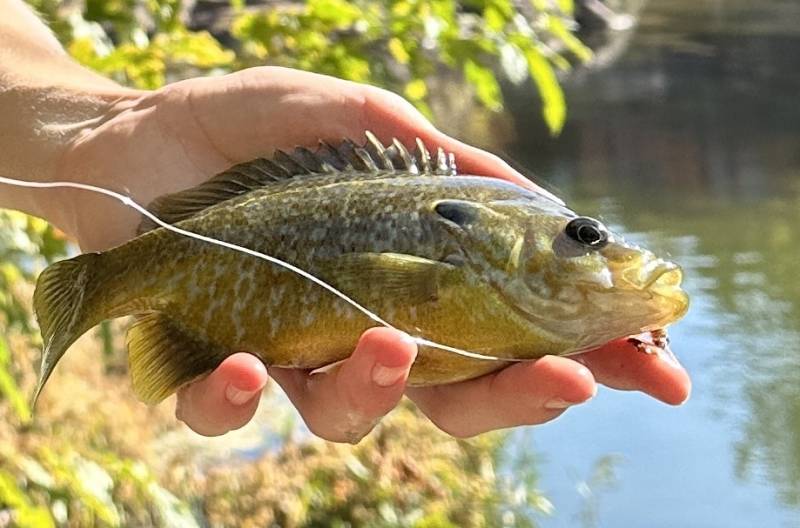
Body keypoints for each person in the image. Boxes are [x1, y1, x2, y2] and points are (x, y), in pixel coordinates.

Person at [0, 0, 690, 443]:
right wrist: (99, 140)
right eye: (584, 237)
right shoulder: (467, 266)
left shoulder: (505, 297)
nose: (604, 252)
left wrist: (97, 139)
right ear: (481, 229)